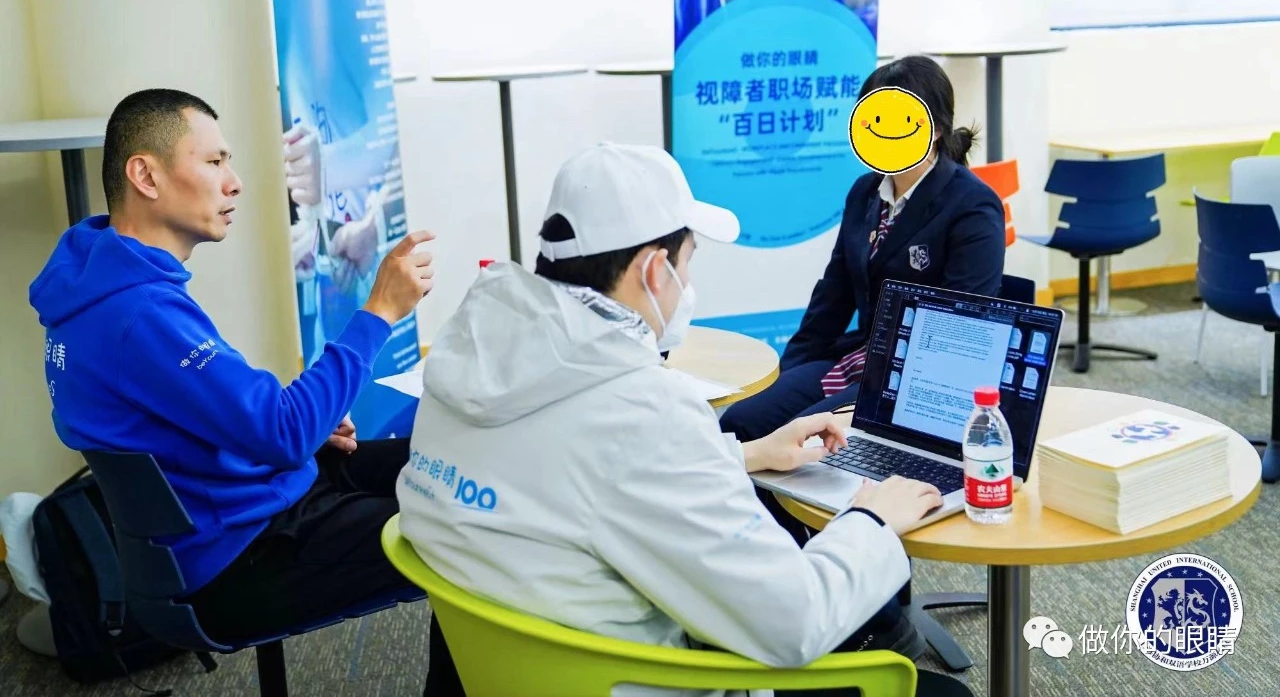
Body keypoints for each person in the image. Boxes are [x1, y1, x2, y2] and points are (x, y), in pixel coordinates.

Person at [396, 142, 970, 697]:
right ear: (653, 271)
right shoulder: (643, 408)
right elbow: (795, 623)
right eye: (688, 262)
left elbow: (570, 472)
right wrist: (871, 521)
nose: (688, 285)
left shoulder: (470, 359)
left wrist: (745, 455)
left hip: (513, 672)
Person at [28, 89, 462, 696]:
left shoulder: (101, 284)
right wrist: (379, 313)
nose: (234, 183)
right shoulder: (138, 314)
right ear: (145, 174)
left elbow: (216, 421)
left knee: (458, 465)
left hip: (232, 511)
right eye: (214, 162)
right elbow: (280, 432)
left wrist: (301, 427)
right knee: (473, 529)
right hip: (236, 558)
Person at [719, 56, 1006, 444]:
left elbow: (961, 327)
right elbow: (832, 298)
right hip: (859, 357)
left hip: (916, 379)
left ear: (935, 128)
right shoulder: (865, 192)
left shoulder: (972, 205)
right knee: (739, 422)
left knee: (802, 438)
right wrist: (787, 375)